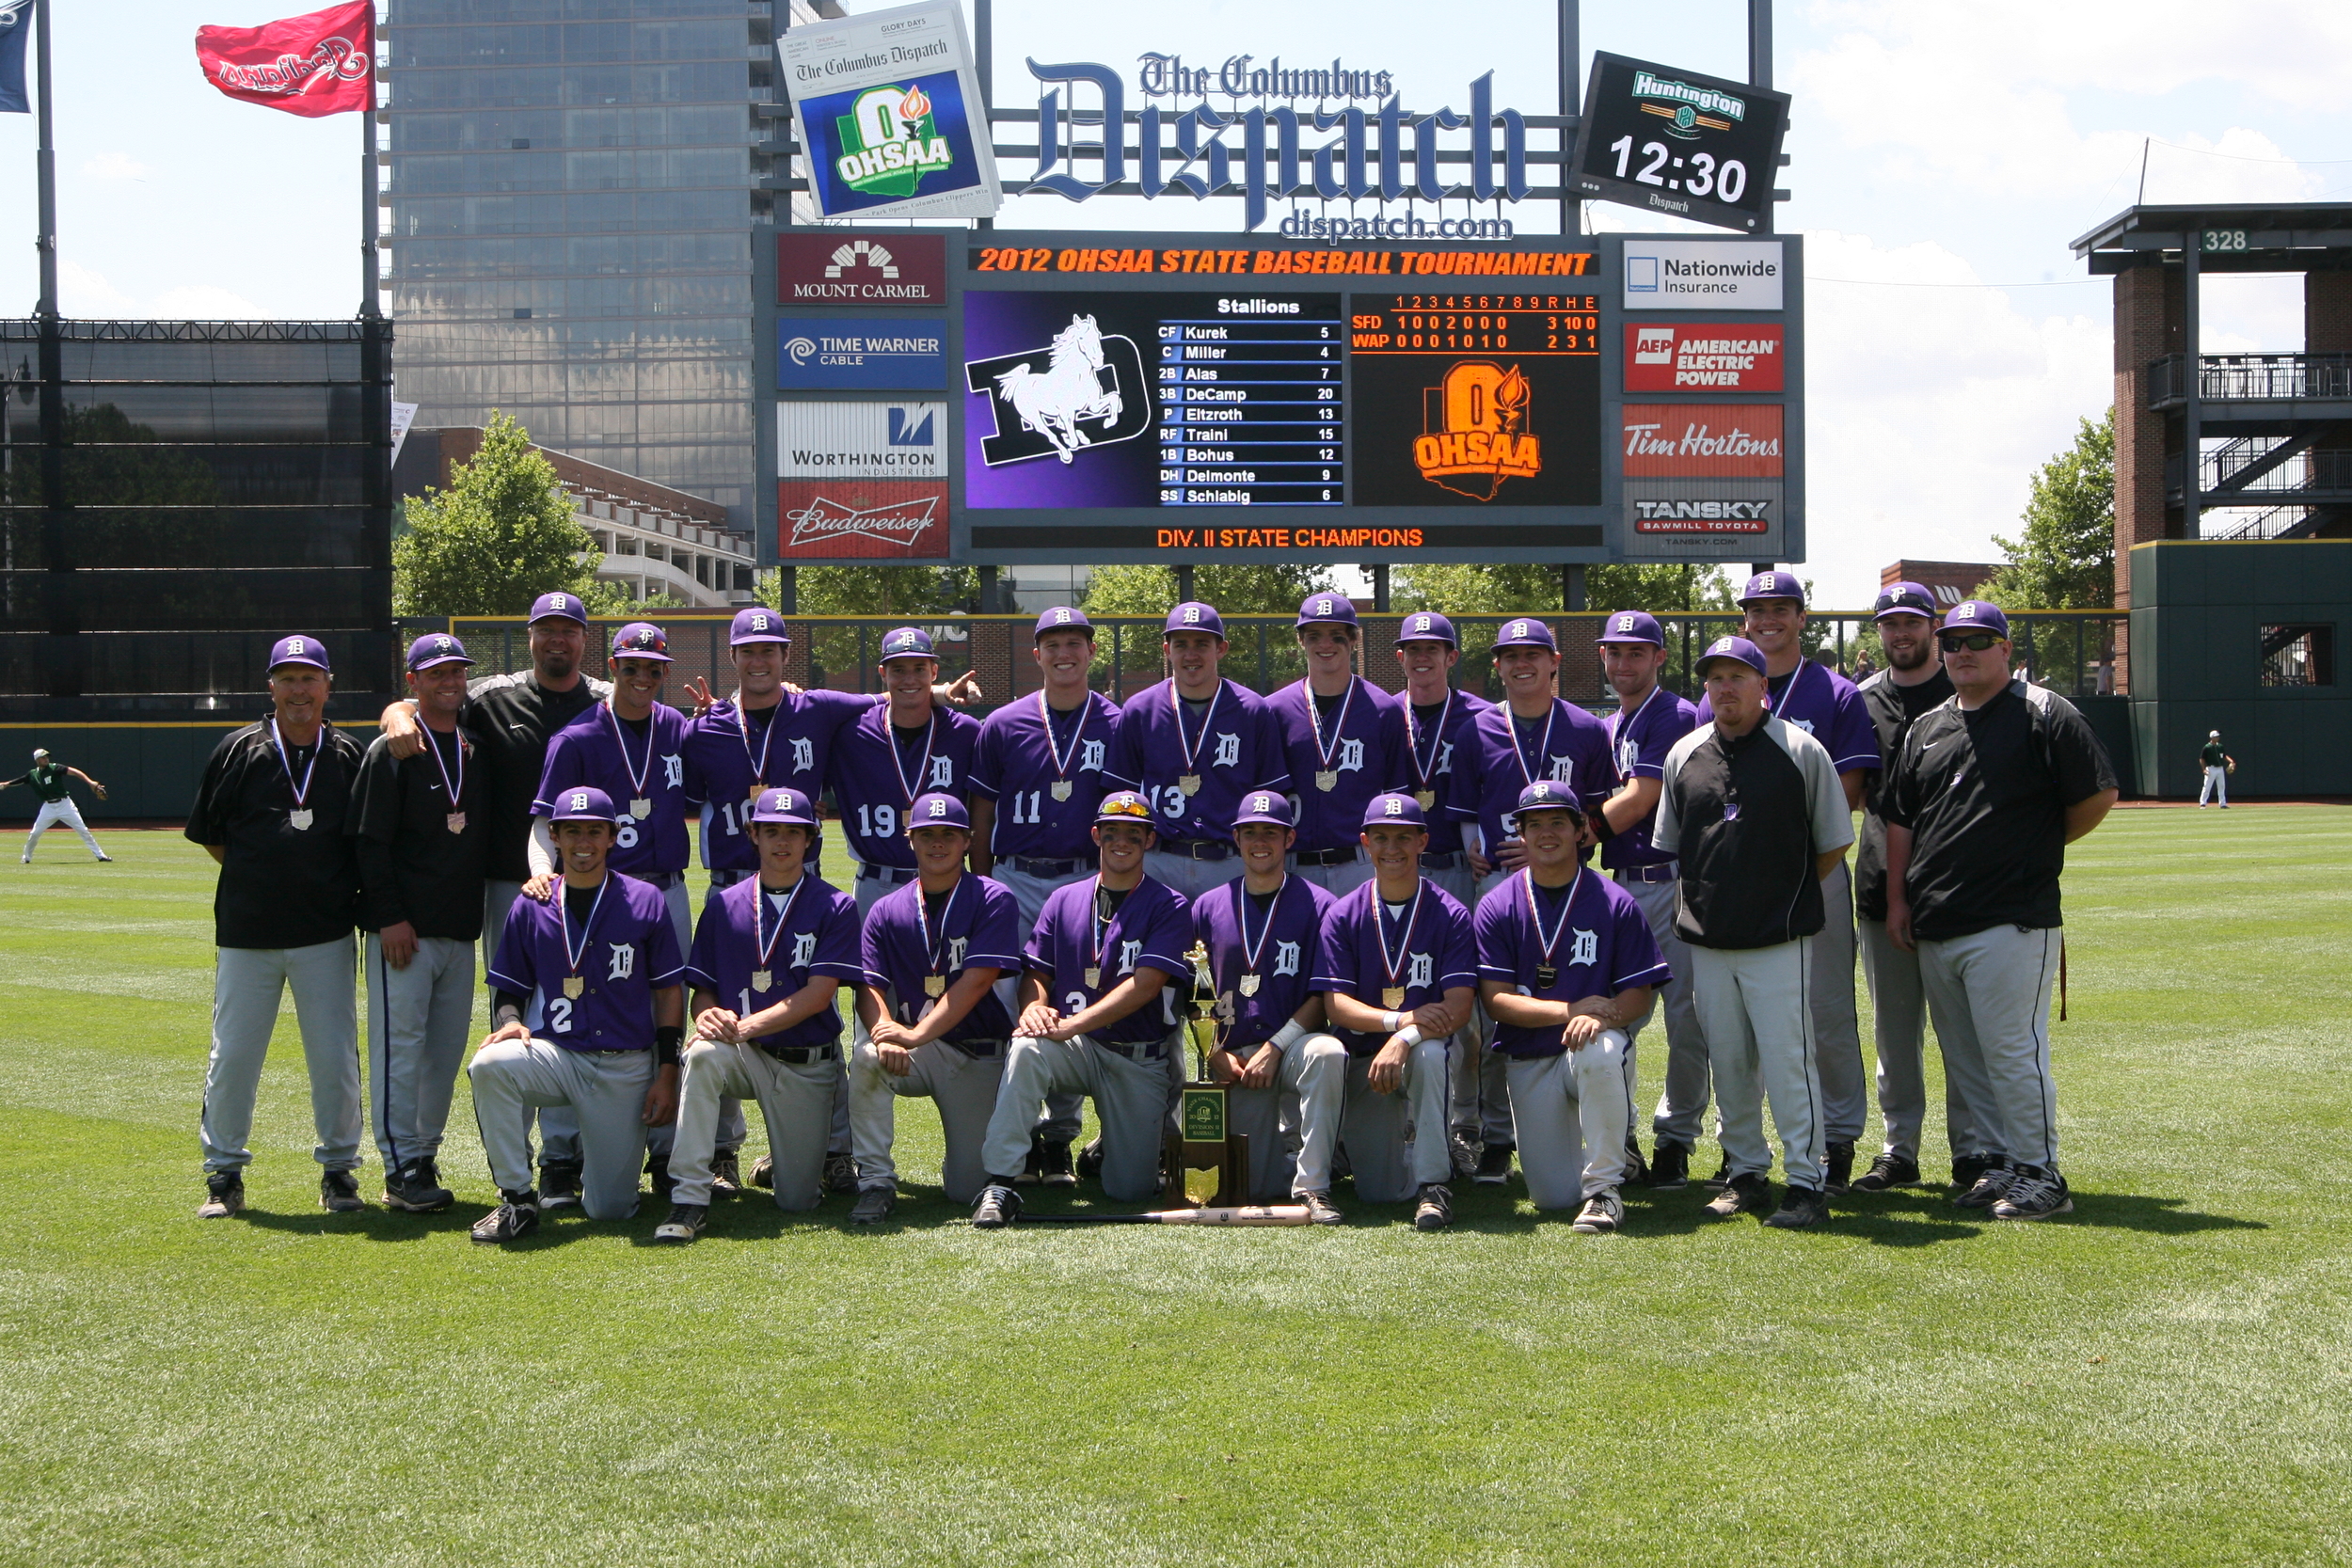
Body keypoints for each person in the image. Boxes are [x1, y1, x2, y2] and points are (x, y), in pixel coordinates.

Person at [1883, 601, 2118, 1221]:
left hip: (2013, 916)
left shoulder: (2044, 712)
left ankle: (2044, 1173)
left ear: (2006, 647)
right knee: (1967, 1059)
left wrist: (2037, 843)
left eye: (1978, 640)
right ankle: (2003, 1165)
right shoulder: (1929, 725)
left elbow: (2098, 794)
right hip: (1938, 917)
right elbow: (1902, 816)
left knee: (2013, 1051)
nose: (1963, 651)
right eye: (1953, 641)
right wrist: (1900, 896)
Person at [1652, 635, 1855, 1230]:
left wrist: (1781, 898)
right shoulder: (1684, 754)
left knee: (1790, 1060)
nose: (1725, 687)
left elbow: (1833, 842)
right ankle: (1744, 1173)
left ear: (1762, 685)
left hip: (1778, 939)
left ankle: (1806, 1181)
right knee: (1729, 1060)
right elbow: (1674, 847)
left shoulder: (1800, 749)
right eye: (1715, 677)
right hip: (1709, 939)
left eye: (1738, 676)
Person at [1693, 570, 1880, 1192]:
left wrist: (1791, 867)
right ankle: (1745, 1152)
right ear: (1744, 618)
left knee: (1825, 1012)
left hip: (1812, 873)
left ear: (1803, 617)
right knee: (1738, 1023)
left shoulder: (1836, 691)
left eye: (1781, 608)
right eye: (1757, 608)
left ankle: (1839, 1134)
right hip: (1738, 882)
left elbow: (1847, 791)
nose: (1768, 617)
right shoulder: (1719, 689)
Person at [184, 635, 369, 1218]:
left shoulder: (347, 755)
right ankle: (224, 1174)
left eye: (309, 678)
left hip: (326, 933)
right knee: (234, 1053)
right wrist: (267, 879)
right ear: (271, 685)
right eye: (287, 678)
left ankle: (340, 1172)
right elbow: (215, 837)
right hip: (248, 933)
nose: (299, 689)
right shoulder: (238, 749)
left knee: (334, 1055)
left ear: (327, 685)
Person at [530, 620, 705, 1203]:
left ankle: (664, 1150)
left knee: (663, 1006)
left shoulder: (676, 727)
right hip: (593, 895)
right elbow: (543, 822)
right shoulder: (577, 738)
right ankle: (559, 1157)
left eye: (653, 668)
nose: (643, 677)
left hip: (665, 889)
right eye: (631, 666)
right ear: (613, 668)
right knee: (568, 1012)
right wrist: (543, 876)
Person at [469, 784, 686, 1242]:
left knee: (609, 1211)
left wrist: (666, 1071)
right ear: (555, 837)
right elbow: (508, 986)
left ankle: (604, 1171)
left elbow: (668, 992)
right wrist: (510, 1023)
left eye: (594, 831)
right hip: (558, 1055)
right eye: (571, 832)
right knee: (488, 1064)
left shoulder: (645, 899)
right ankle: (516, 1199)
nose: (582, 842)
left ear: (612, 836)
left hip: (623, 1063)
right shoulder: (533, 902)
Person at [972, 791, 1194, 1226]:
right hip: (1075, 1048)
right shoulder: (1063, 900)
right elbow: (1037, 972)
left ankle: (1105, 1149)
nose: (1121, 841)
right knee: (1026, 1048)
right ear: (1096, 835)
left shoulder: (1170, 904)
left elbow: (1146, 986)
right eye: (1111, 832)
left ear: (1149, 840)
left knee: (1128, 1189)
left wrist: (1071, 1024)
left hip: (1136, 1055)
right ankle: (1000, 1181)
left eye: (1134, 833)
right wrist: (1034, 1007)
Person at [658, 786, 864, 1243]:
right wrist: (706, 1017)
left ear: (812, 838)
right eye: (771, 831)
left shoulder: (836, 905)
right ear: (753, 834)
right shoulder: (724, 904)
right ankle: (690, 1195)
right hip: (741, 1055)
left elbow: (817, 996)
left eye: (794, 832)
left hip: (804, 1063)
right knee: (703, 1054)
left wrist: (740, 1027)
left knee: (798, 1200)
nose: (782, 843)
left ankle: (793, 1159)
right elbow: (703, 990)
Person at [1447, 616, 1611, 1189]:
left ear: (1554, 662)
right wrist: (1477, 850)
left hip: (1571, 894)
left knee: (1588, 1003)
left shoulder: (1587, 728)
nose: (1522, 664)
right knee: (1496, 1011)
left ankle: (1612, 1136)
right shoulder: (1477, 728)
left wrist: (1557, 850)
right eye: (1510, 656)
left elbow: (1596, 814)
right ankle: (1496, 1136)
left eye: (1533, 655)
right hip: (1499, 889)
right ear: (1497, 666)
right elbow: (1466, 808)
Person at [967, 606, 1123, 1186]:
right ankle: (1023, 1133)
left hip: (1089, 878)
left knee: (1080, 993)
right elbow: (982, 815)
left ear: (1090, 651)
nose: (1065, 653)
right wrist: (984, 886)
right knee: (1017, 1003)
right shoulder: (1003, 724)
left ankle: (1059, 1137)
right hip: (1018, 877)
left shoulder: (1115, 721)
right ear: (1036, 654)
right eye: (1053, 643)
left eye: (1075, 643)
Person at [1474, 782, 1672, 1233]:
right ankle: (1612, 1157)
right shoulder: (1497, 905)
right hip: (1530, 1056)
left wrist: (1598, 1017)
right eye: (1535, 824)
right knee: (1553, 1198)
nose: (1547, 833)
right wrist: (1570, 1010)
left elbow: (1639, 994)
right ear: (1520, 834)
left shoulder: (1614, 900)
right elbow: (1497, 1001)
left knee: (1600, 1050)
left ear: (1581, 830)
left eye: (1558, 823)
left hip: (1588, 1050)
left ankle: (1605, 1188)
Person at [349, 633, 489, 1212]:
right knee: (398, 1049)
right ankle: (397, 1163)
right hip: (404, 931)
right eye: (436, 674)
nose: (449, 681)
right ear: (414, 682)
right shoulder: (392, 751)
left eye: (456, 672)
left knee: (444, 1051)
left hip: (459, 928)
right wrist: (388, 918)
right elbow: (368, 843)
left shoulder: (474, 748)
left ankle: (423, 1154)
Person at [1851, 582, 1981, 1194]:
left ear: (1933, 625)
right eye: (1889, 623)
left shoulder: (1965, 690)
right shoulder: (1862, 700)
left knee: (1965, 1033)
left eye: (1911, 621)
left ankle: (1973, 1151)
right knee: (1894, 1035)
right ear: (1878, 631)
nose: (1900, 633)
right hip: (1882, 885)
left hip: (1960, 889)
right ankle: (1899, 1149)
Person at [848, 792, 1024, 1221]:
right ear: (910, 840)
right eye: (927, 835)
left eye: (950, 835)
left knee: (965, 1189)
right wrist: (886, 1031)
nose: (938, 844)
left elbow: (977, 981)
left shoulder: (993, 897)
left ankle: (999, 1143)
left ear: (969, 840)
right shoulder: (887, 908)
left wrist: (912, 1034)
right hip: (916, 1051)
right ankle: (874, 1181)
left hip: (976, 1051)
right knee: (868, 1057)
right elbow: (868, 986)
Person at [1311, 792, 1476, 1231]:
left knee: (1431, 1052)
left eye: (1404, 837)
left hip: (1421, 1051)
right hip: (1366, 1059)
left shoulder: (1451, 914)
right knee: (1379, 1192)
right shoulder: (1343, 913)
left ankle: (1435, 1184)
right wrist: (1398, 1021)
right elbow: (1336, 1005)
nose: (1392, 849)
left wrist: (1404, 1038)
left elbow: (1459, 1007)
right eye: (1381, 837)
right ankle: (1392, 1147)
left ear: (1423, 841)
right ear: (1365, 842)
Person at [1592, 610, 1705, 1188]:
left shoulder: (1676, 714)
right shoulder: (1611, 722)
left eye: (1636, 652)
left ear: (1660, 657)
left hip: (1674, 880)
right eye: (1615, 652)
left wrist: (1572, 835)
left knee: (1687, 1020)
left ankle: (1676, 1140)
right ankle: (1623, 1136)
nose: (1623, 663)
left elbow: (1643, 797)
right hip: (1621, 886)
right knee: (1617, 1017)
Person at [1192, 792, 1341, 1215]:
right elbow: (1195, 991)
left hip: (1294, 1045)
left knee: (1328, 1052)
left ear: (1289, 838)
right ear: (1236, 839)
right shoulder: (1208, 905)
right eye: (1250, 832)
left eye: (1271, 832)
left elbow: (1323, 993)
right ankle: (1303, 1157)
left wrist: (1277, 1046)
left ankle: (1315, 1185)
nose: (1261, 841)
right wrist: (1213, 1051)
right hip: (1235, 1056)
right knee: (1251, 1184)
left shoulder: (1320, 905)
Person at [1105, 601, 1292, 901]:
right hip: (1158, 859)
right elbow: (1119, 797)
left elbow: (1270, 797)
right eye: (1181, 644)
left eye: (1202, 644)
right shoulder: (1140, 710)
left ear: (1221, 649)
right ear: (1167, 649)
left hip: (1230, 862)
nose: (1191, 654)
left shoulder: (1254, 711)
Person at [1392, 611, 1489, 1179]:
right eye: (1412, 649)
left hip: (1458, 871)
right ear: (1398, 656)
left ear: (1452, 657)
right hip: (1394, 872)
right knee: (1396, 996)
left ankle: (1466, 1122)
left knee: (1468, 1012)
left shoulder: (1480, 716)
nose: (1422, 657)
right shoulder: (1386, 715)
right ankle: (1402, 1123)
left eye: (1434, 648)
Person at [1268, 593, 1407, 895]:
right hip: (1293, 863)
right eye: (1314, 636)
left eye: (1336, 636)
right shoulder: (1275, 710)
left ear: (1354, 640)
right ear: (1301, 641)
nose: (1325, 645)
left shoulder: (1384, 710)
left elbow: (1397, 793)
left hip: (1360, 863)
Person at [6, 747, 112, 863]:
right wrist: (6, 784)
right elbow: (21, 780)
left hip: (65, 805)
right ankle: (26, 858)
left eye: (47, 757)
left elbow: (74, 772)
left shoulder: (54, 768)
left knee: (83, 830)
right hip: (48, 807)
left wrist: (90, 782)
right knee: (35, 833)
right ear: (37, 760)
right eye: (43, 757)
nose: (46, 759)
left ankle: (101, 856)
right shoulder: (33, 774)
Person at [2198, 731, 2233, 808]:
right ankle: (2203, 803)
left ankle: (2222, 804)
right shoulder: (2207, 747)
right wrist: (2204, 769)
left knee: (2221, 786)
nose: (2218, 738)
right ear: (2212, 738)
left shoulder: (2220, 746)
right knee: (2207, 786)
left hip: (2220, 768)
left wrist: (2231, 761)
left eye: (2218, 736)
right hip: (2211, 768)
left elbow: (2224, 755)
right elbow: (2202, 759)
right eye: (2216, 736)